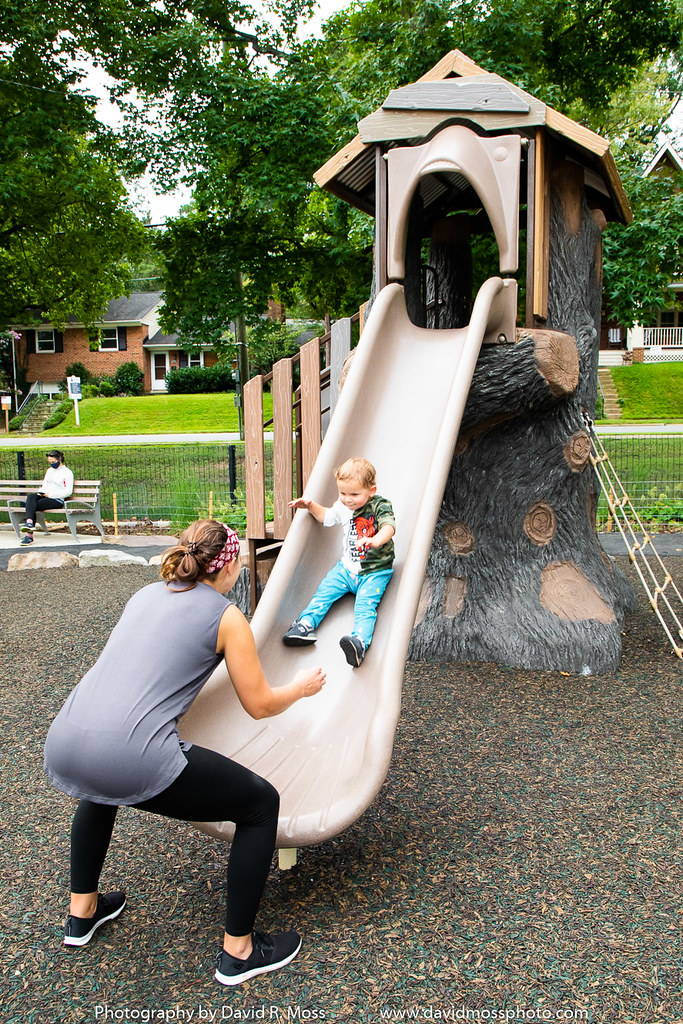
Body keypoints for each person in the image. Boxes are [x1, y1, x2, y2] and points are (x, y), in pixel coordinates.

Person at [43, 519, 326, 987]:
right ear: (229, 566)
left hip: (67, 739)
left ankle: (82, 912)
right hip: (131, 754)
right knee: (261, 804)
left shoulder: (144, 596)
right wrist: (300, 688)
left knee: (100, 788)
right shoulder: (227, 617)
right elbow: (259, 705)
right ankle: (240, 951)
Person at [283, 457, 395, 667]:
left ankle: (359, 642)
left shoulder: (380, 505)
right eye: (343, 493)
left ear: (371, 490)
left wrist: (375, 540)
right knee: (324, 592)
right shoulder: (343, 506)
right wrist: (310, 506)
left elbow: (388, 527)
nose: (347, 499)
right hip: (346, 569)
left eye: (354, 494)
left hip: (374, 572)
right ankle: (306, 624)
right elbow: (327, 517)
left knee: (365, 607)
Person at [20, 449, 74, 545]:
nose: (51, 464)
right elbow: (45, 485)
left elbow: (68, 491)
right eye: (50, 462)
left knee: (32, 506)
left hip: (57, 500)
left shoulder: (67, 473)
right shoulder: (49, 471)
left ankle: (29, 535)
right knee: (31, 497)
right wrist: (42, 492)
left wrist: (51, 495)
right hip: (45, 496)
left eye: (53, 462)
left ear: (60, 460)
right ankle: (29, 523)